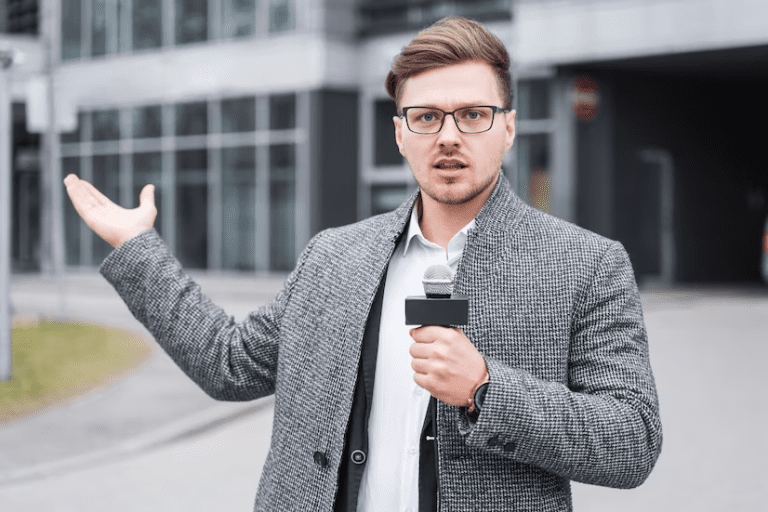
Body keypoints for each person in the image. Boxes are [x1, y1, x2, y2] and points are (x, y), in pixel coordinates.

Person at [64, 17, 661, 512]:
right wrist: (138, 249)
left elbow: (631, 441)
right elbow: (230, 363)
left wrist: (486, 388)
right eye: (426, 117)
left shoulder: (587, 265)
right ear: (400, 134)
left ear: (507, 128)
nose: (448, 136)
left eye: (473, 115)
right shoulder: (333, 256)